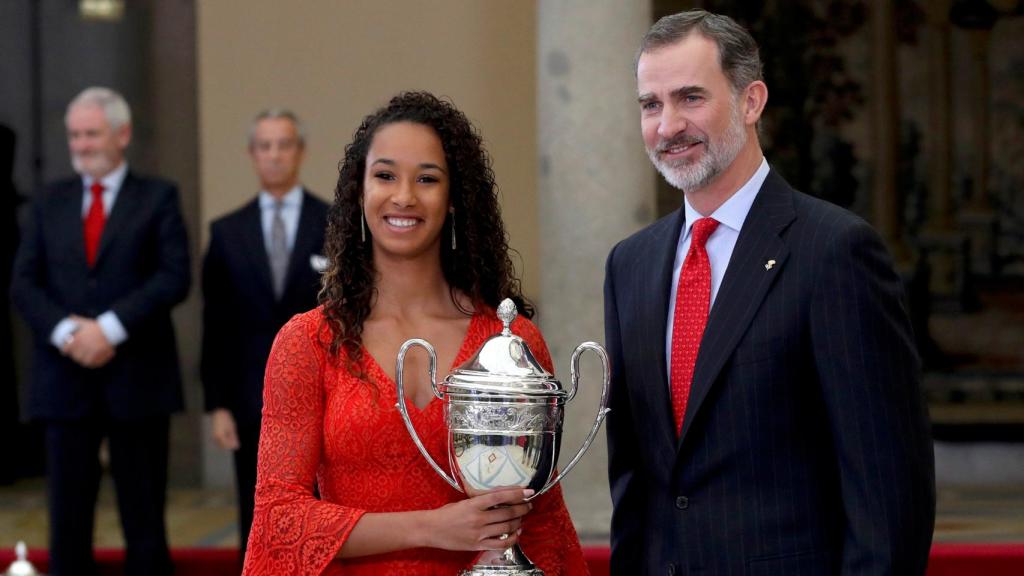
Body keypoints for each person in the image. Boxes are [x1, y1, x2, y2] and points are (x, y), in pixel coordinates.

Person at [603, 10, 935, 575]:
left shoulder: (835, 252)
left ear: (751, 101)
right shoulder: (629, 265)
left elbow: (888, 492)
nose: (668, 125)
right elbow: (635, 478)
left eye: (690, 98)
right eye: (650, 105)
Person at [241, 91, 589, 575]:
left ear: (453, 201)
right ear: (359, 192)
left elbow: (544, 517)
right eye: (385, 176)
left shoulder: (511, 341)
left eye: (427, 179)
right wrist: (432, 527)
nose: (403, 196)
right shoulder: (308, 343)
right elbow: (280, 518)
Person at [10, 86, 189, 576]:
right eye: (74, 135)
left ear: (122, 134)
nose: (81, 145)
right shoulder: (50, 201)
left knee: (144, 521)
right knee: (66, 522)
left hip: (137, 381)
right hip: (64, 382)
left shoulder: (157, 197)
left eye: (91, 134)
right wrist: (70, 333)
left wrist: (109, 329)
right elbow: (24, 282)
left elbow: (174, 277)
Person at [200, 108, 329, 561]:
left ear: (300, 152)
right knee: (253, 507)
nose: (275, 155)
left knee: (318, 507)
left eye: (284, 144)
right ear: (252, 155)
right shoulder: (227, 232)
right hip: (249, 394)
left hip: (322, 392)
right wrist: (216, 403)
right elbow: (215, 325)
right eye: (265, 146)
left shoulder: (336, 225)